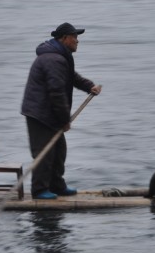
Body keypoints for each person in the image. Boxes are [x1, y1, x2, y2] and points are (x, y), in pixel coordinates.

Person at [21, 23, 102, 199]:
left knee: (59, 150)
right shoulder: (54, 60)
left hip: (48, 113)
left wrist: (89, 86)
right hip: (40, 114)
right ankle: (39, 190)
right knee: (44, 152)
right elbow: (56, 93)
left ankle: (56, 185)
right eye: (74, 37)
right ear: (64, 39)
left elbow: (71, 77)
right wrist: (65, 119)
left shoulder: (59, 57)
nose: (77, 41)